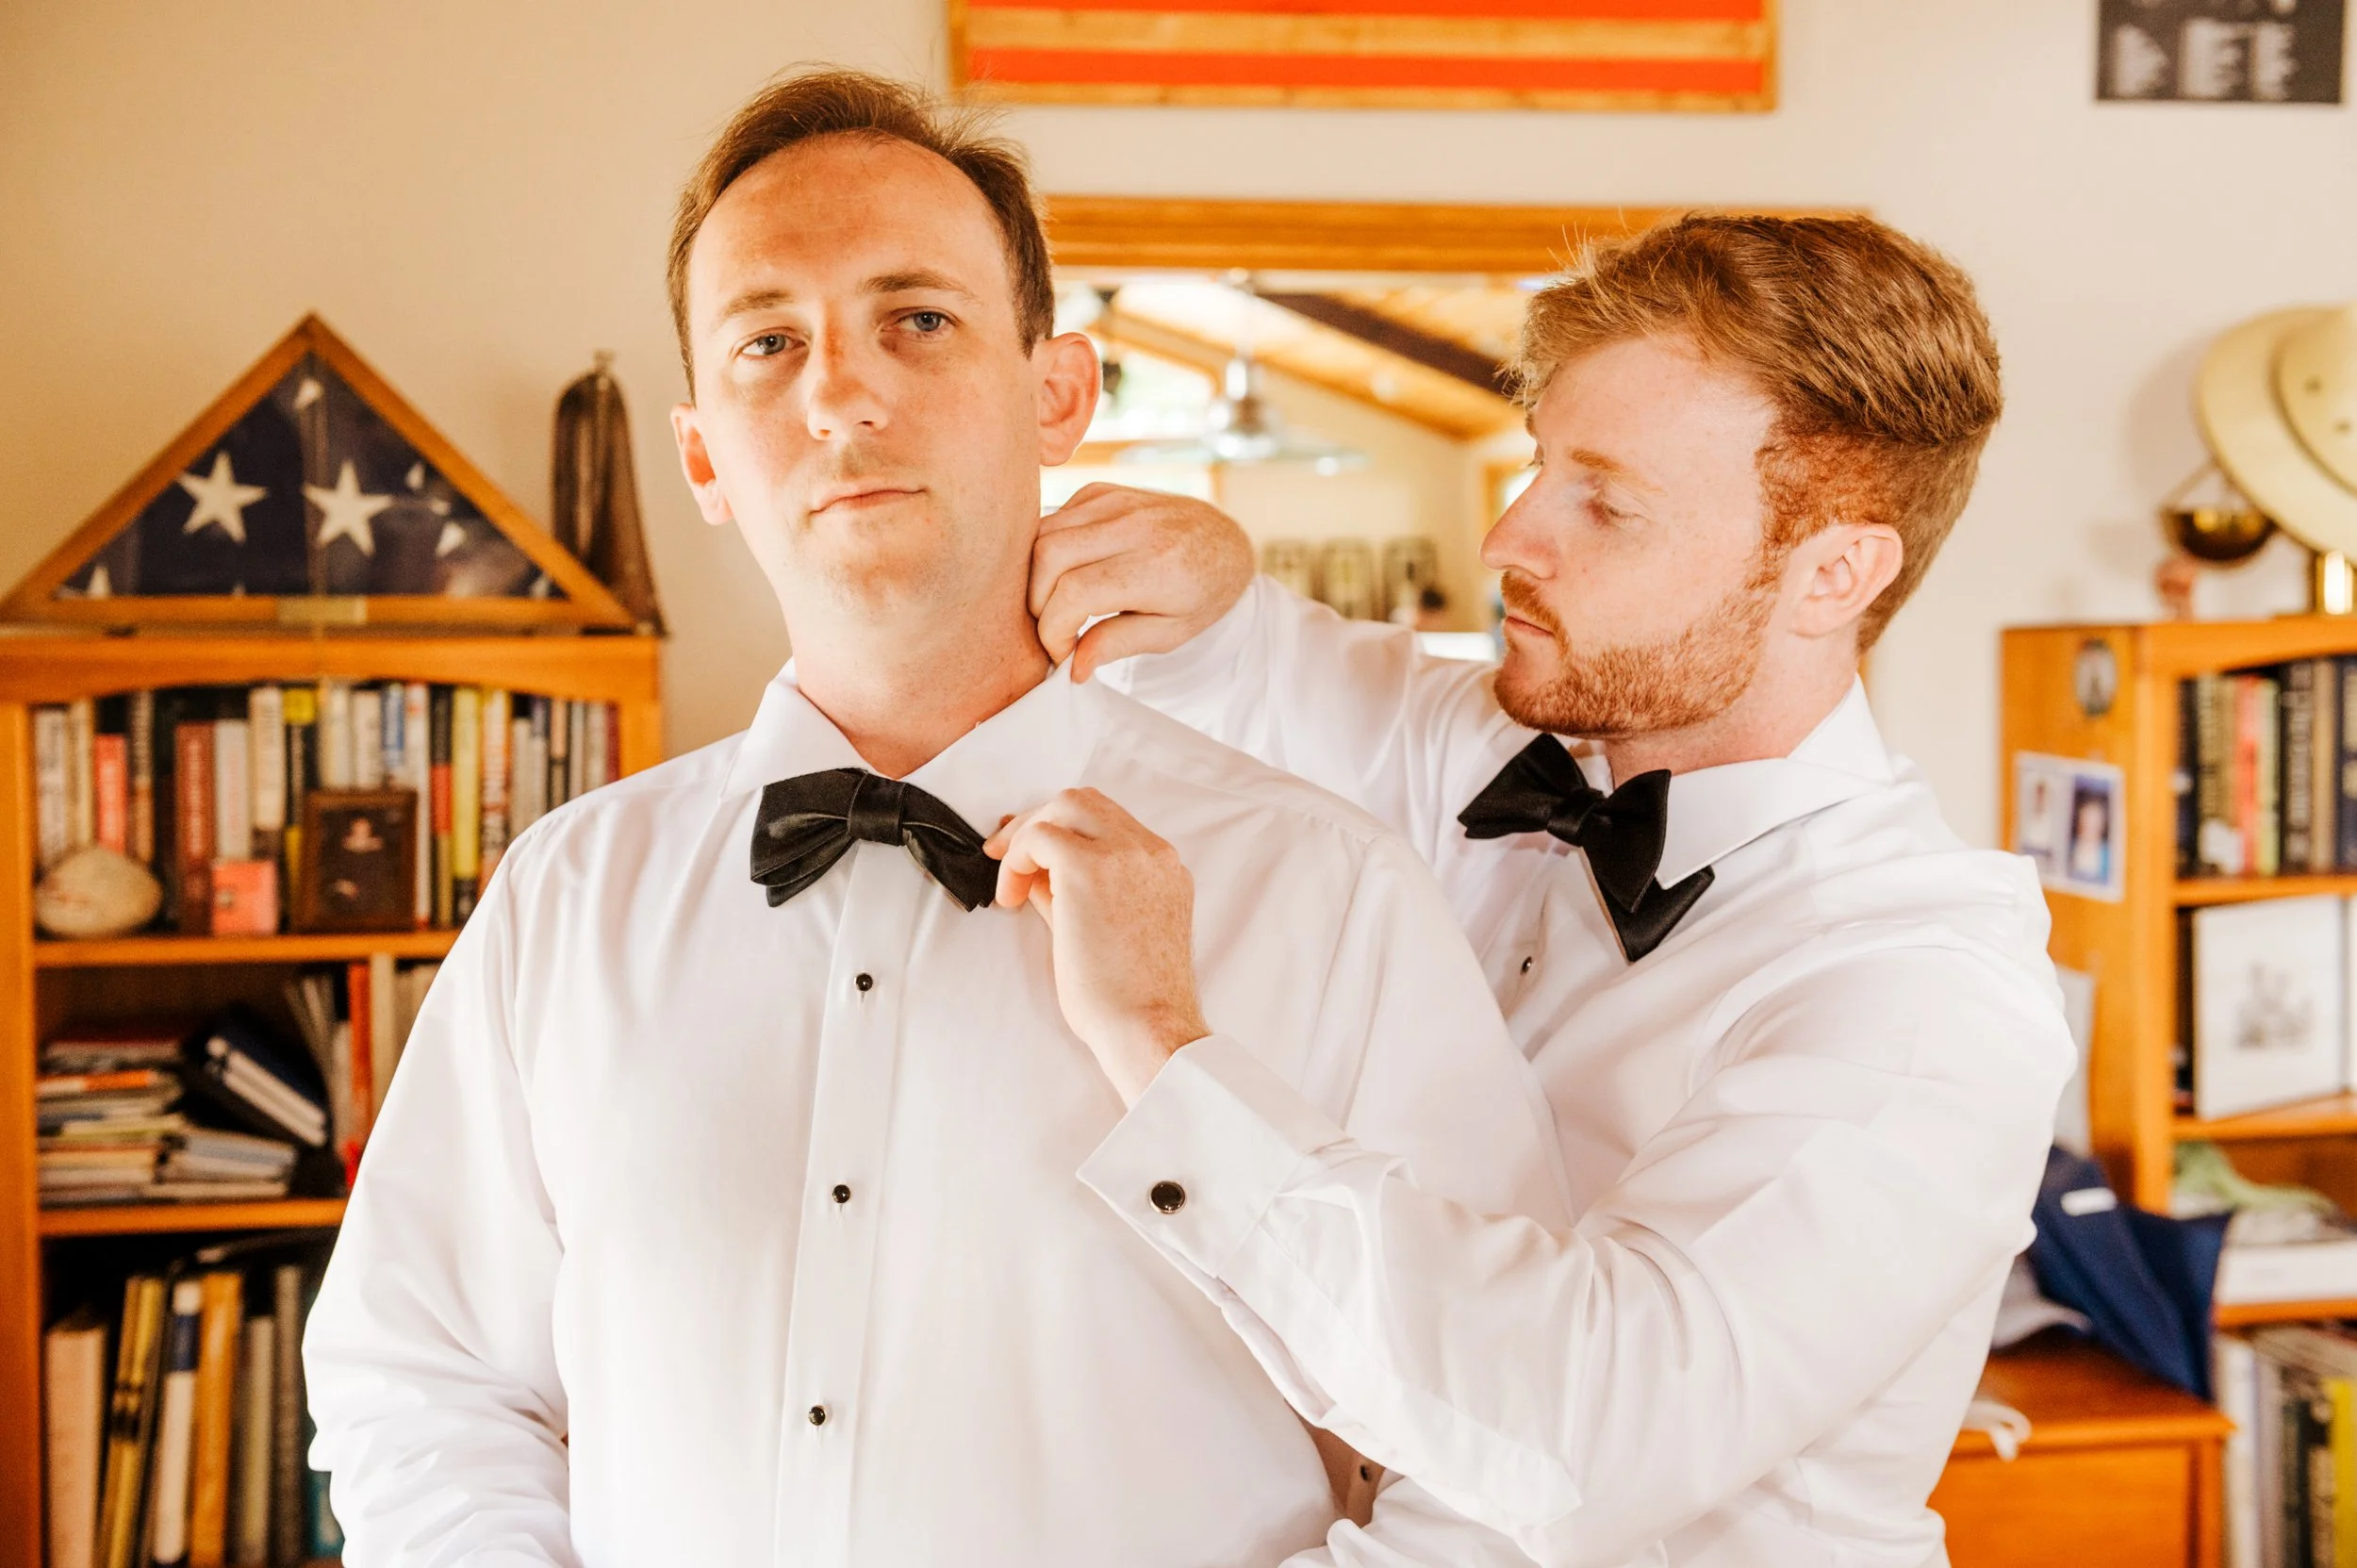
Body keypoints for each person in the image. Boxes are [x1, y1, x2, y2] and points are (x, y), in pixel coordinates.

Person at [301, 69, 1564, 1567]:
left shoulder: (1328, 890)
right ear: (705, 455)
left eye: (918, 318)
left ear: (1059, 395)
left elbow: (1511, 1444)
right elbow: (421, 1383)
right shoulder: (563, 900)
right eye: (771, 342)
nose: (842, 391)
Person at [1000, 214, 2077, 1567]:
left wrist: (1164, 1048)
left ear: (1832, 573)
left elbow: (1582, 1434)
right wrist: (1212, 580)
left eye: (1606, 503)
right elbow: (1271, 669)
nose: (1509, 536)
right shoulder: (1506, 743)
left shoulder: (1924, 997)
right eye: (1538, 467)